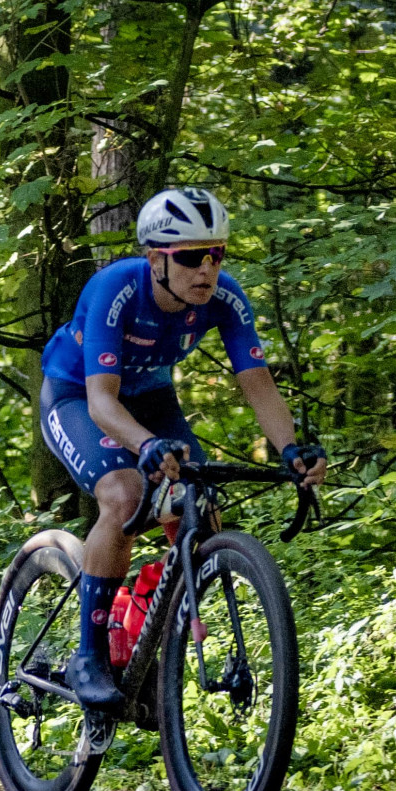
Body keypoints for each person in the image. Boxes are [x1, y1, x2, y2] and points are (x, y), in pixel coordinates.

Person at [38, 185, 323, 707]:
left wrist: (289, 450)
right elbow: (103, 403)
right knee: (124, 495)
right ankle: (88, 654)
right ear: (155, 260)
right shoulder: (115, 289)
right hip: (78, 396)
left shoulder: (226, 298)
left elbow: (257, 383)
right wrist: (145, 446)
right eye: (191, 257)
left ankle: (151, 628)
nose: (206, 270)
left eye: (216, 255)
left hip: (150, 397)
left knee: (201, 504)